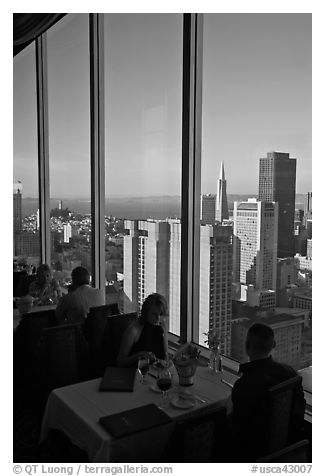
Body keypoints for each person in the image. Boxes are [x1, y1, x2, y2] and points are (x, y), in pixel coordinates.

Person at [229, 322, 306, 462]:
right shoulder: (291, 374)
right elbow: (299, 412)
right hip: (289, 451)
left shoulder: (244, 385)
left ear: (247, 347)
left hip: (252, 455)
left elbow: (238, 430)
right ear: (274, 345)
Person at [116, 293, 169, 367]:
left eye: (161, 314)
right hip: (135, 374)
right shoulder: (133, 330)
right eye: (154, 314)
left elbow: (166, 356)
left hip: (156, 374)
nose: (158, 319)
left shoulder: (162, 327)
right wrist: (139, 355)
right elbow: (120, 362)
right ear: (146, 312)